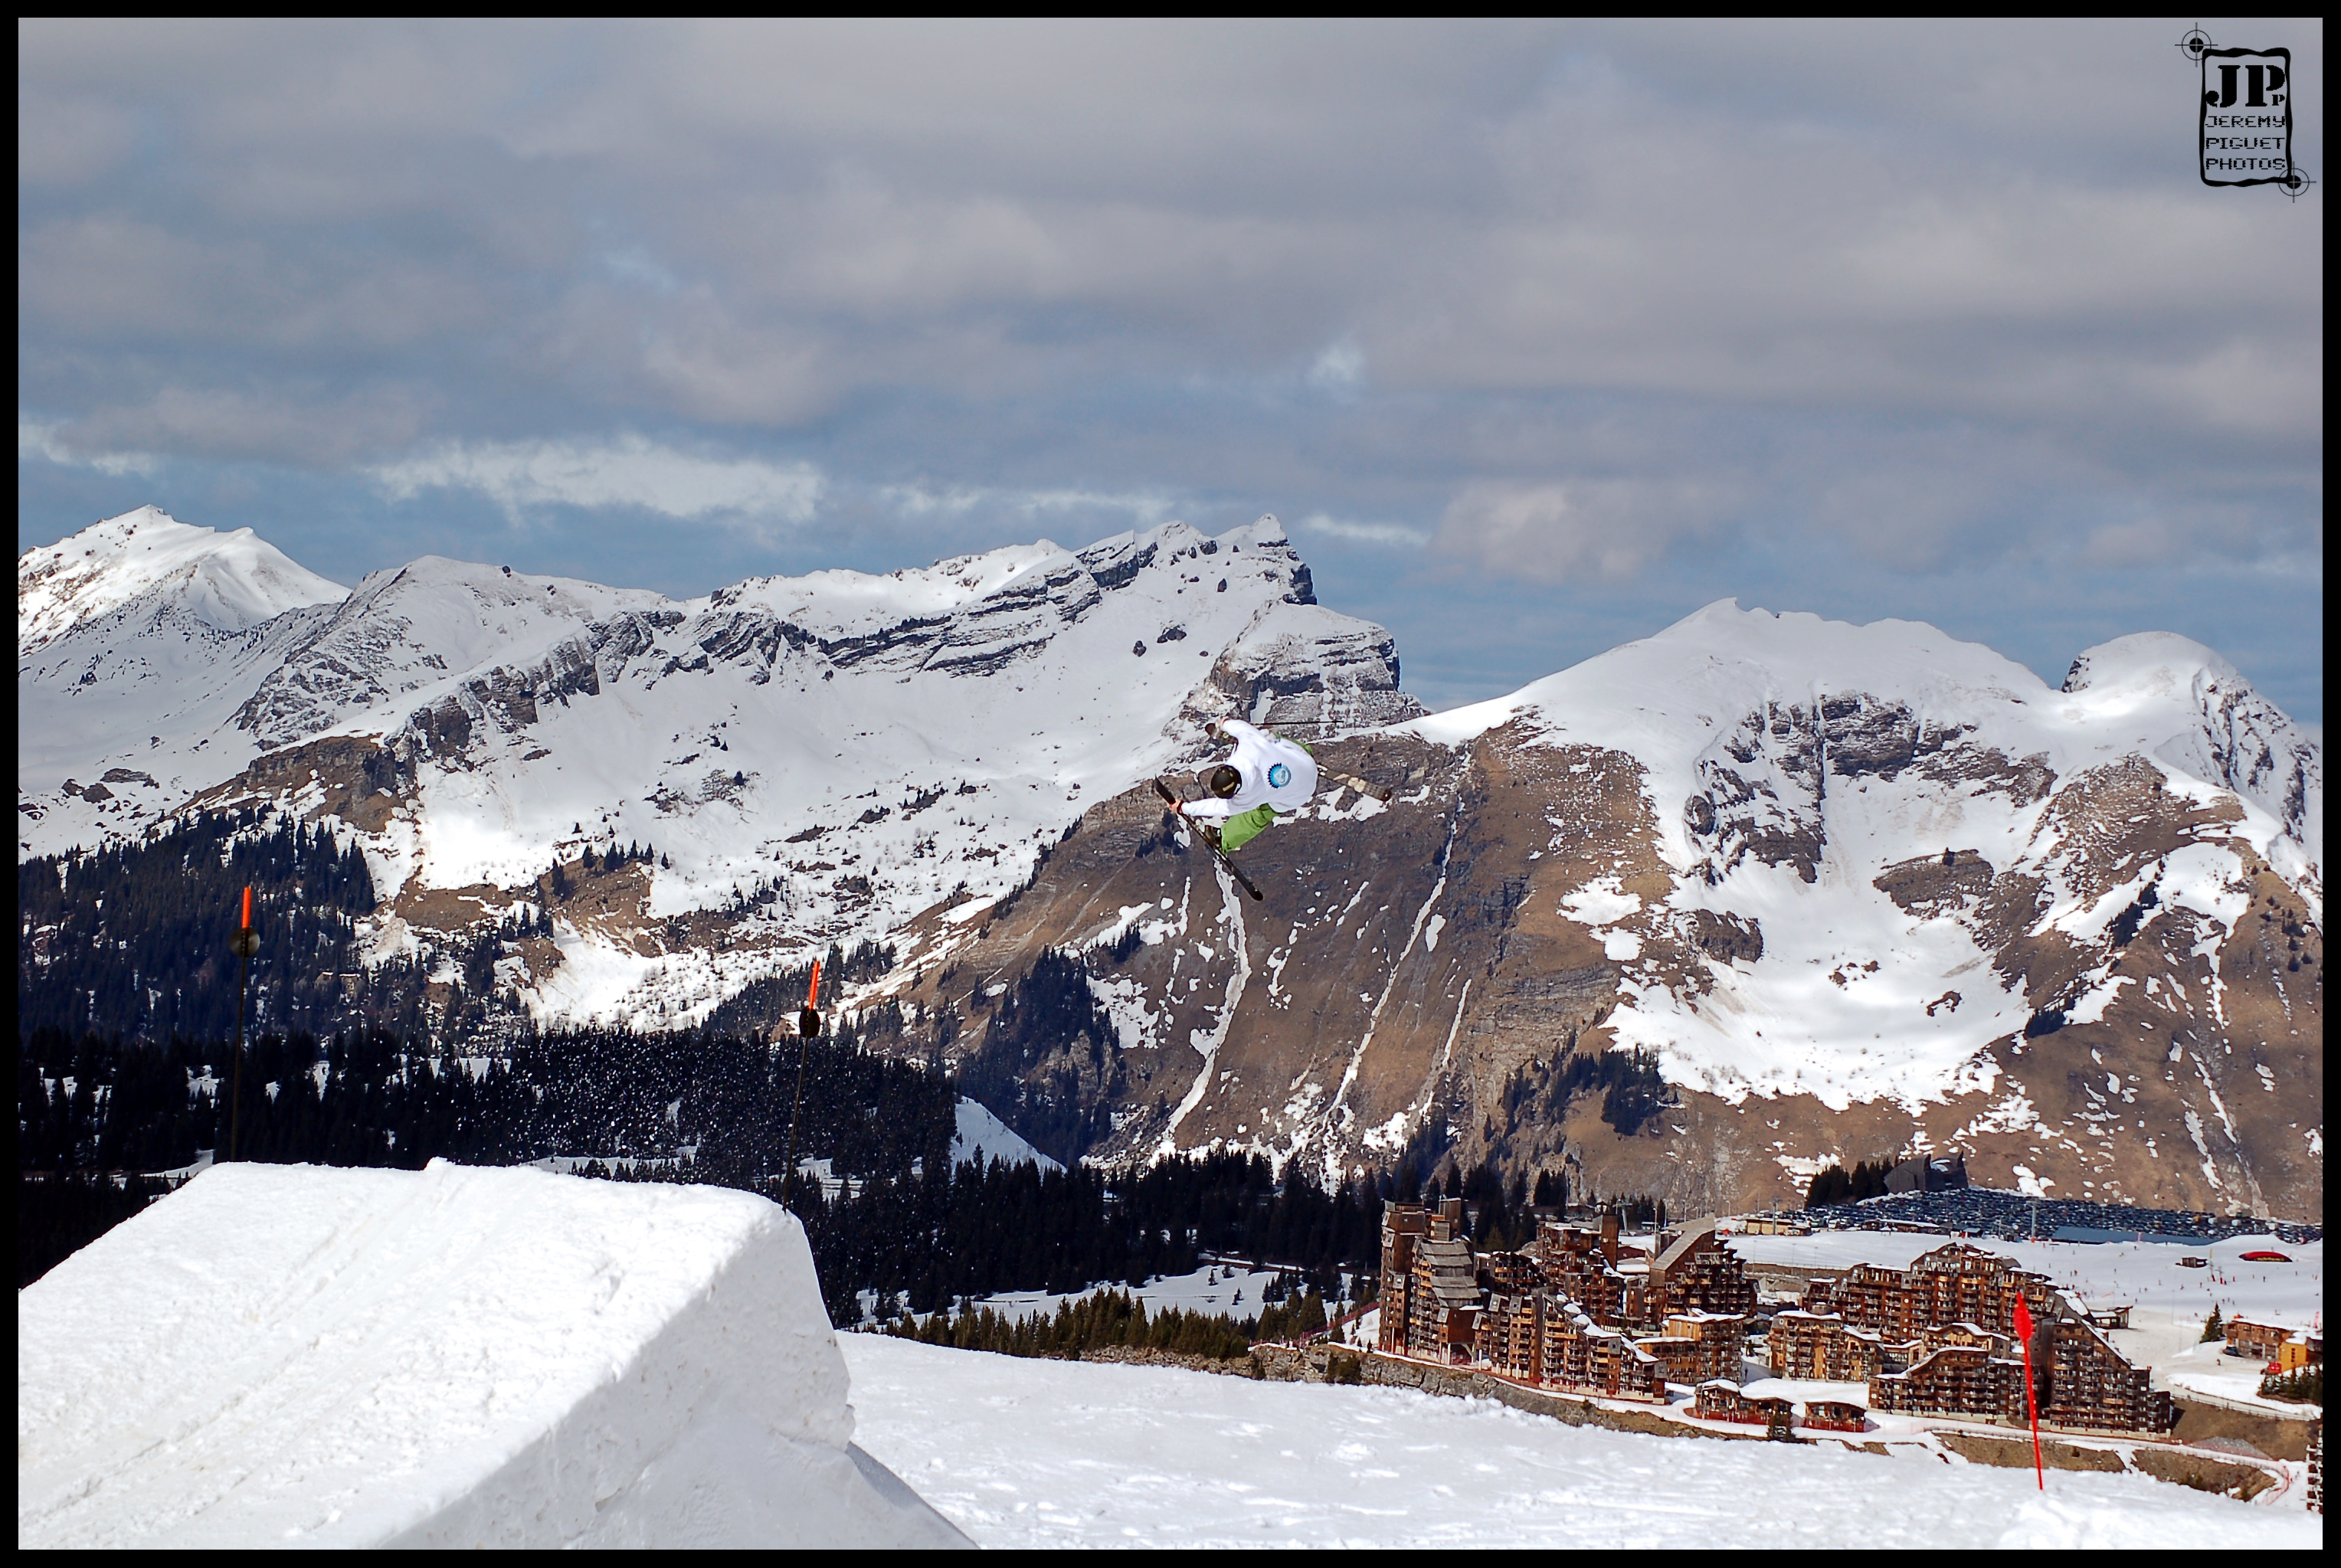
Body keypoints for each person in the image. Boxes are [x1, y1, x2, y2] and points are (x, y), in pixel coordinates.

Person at [1170, 719, 1319, 853]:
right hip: (1306, 760)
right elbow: (1241, 727)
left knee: (1257, 815)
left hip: (1302, 793)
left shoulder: (1248, 797)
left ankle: (1223, 840)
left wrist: (1183, 808)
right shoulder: (1249, 742)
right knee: (1267, 738)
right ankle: (1300, 752)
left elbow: (1216, 806)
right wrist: (1225, 724)